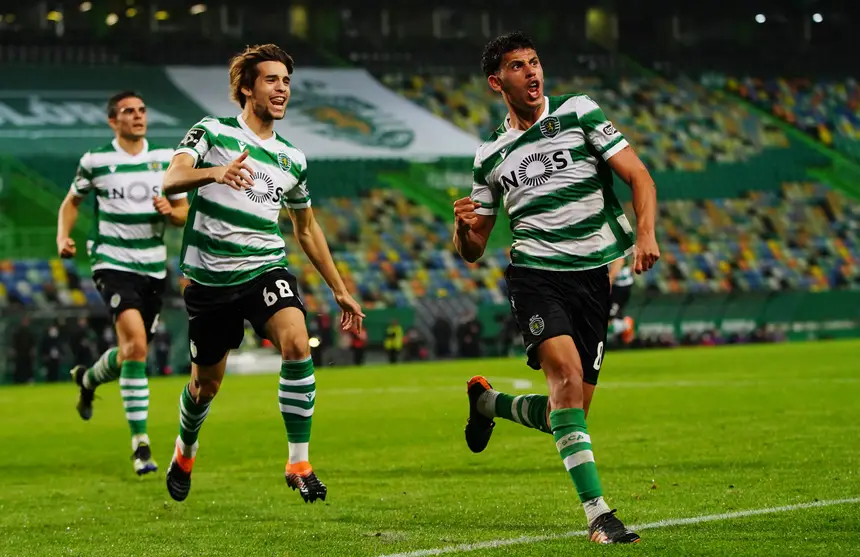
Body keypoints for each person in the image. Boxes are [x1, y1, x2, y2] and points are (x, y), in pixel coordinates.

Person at [453, 32, 660, 544]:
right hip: (535, 275)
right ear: (496, 82)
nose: (533, 72)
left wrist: (647, 233)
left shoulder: (580, 112)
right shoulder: (489, 155)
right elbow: (475, 246)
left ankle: (489, 404)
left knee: (566, 415)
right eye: (519, 66)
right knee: (565, 377)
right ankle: (599, 514)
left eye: (536, 62)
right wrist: (461, 228)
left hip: (593, 277)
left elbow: (639, 176)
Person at [161, 44, 364, 504]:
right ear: (247, 88)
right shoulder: (211, 131)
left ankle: (298, 461)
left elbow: (306, 228)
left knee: (296, 341)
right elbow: (171, 179)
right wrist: (214, 173)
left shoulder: (293, 159)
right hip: (210, 281)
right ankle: (185, 449)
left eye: (287, 82)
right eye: (271, 80)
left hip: (264, 268)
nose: (282, 89)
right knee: (205, 385)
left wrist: (340, 288)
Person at [56, 90, 189, 476]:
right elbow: (71, 202)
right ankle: (140, 446)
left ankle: (88, 379)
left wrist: (171, 211)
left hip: (153, 266)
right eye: (128, 111)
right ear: (113, 121)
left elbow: (182, 212)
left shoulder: (165, 160)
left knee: (133, 351)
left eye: (142, 110)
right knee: (135, 345)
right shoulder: (95, 160)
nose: (137, 116)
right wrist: (63, 236)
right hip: (111, 261)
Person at [607, 257, 635, 344]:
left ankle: (626, 325)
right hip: (622, 284)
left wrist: (610, 281)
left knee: (608, 318)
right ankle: (624, 324)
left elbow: (619, 261)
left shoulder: (615, 247)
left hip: (619, 287)